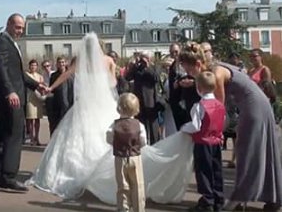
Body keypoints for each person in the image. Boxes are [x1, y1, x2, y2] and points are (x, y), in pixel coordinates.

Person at [28, 32, 194, 205]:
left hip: (85, 105)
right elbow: (114, 83)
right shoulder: (108, 60)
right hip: (104, 103)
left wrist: (50, 87)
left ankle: (76, 174)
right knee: (107, 134)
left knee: (77, 139)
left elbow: (66, 75)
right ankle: (106, 174)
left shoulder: (80, 61)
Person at [179, 44, 282, 211]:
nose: (190, 75)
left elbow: (218, 109)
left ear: (198, 64)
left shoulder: (216, 74)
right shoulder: (216, 68)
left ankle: (239, 198)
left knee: (245, 151)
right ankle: (272, 198)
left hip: (253, 107)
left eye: (190, 70)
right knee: (263, 151)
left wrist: (214, 133)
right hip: (257, 105)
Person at [0, 13, 45, 192]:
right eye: (17, 27)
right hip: (11, 99)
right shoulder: (2, 43)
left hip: (11, 96)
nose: (20, 31)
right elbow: (1, 69)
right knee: (14, 136)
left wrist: (37, 85)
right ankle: (9, 177)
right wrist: (10, 91)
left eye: (22, 28)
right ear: (9, 24)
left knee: (2, 137)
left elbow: (18, 75)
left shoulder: (11, 44)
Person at [181, 71, 226, 212]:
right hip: (216, 143)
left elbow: (195, 126)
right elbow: (222, 122)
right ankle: (218, 198)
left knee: (203, 171)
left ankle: (207, 201)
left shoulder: (199, 106)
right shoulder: (219, 104)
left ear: (198, 88)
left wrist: (184, 128)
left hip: (202, 143)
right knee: (216, 170)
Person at [106, 93, 147, 212]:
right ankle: (139, 208)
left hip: (120, 157)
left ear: (119, 108)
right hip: (135, 157)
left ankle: (123, 208)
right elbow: (143, 141)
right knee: (138, 184)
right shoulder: (139, 125)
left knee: (122, 185)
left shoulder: (114, 125)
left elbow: (109, 139)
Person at [48, 56, 74, 136]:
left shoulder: (71, 74)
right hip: (58, 102)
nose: (61, 64)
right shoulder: (54, 75)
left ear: (65, 63)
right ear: (57, 64)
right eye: (60, 62)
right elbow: (51, 89)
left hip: (70, 101)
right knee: (58, 123)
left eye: (63, 62)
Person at [25, 59, 45, 145]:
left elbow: (42, 86)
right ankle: (31, 138)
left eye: (35, 65)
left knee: (37, 119)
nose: (33, 67)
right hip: (30, 98)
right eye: (32, 65)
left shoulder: (40, 76)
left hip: (37, 99)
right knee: (30, 119)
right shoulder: (26, 75)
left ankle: (37, 137)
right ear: (29, 66)